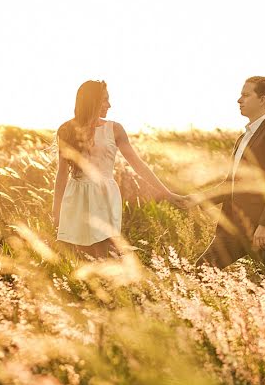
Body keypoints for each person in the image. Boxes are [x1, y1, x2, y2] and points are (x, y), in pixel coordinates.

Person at [52, 80, 184, 258]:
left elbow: (139, 166)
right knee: (79, 257)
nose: (109, 105)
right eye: (105, 100)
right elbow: (61, 174)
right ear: (92, 102)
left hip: (104, 195)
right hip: (76, 196)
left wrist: (167, 193)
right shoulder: (67, 129)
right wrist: (56, 211)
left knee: (103, 254)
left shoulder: (114, 129)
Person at [192, 76, 265, 269]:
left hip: (263, 230)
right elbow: (231, 184)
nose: (239, 100)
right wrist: (200, 199)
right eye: (241, 95)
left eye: (246, 95)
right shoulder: (243, 138)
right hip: (234, 227)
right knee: (201, 271)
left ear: (262, 99)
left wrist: (264, 226)